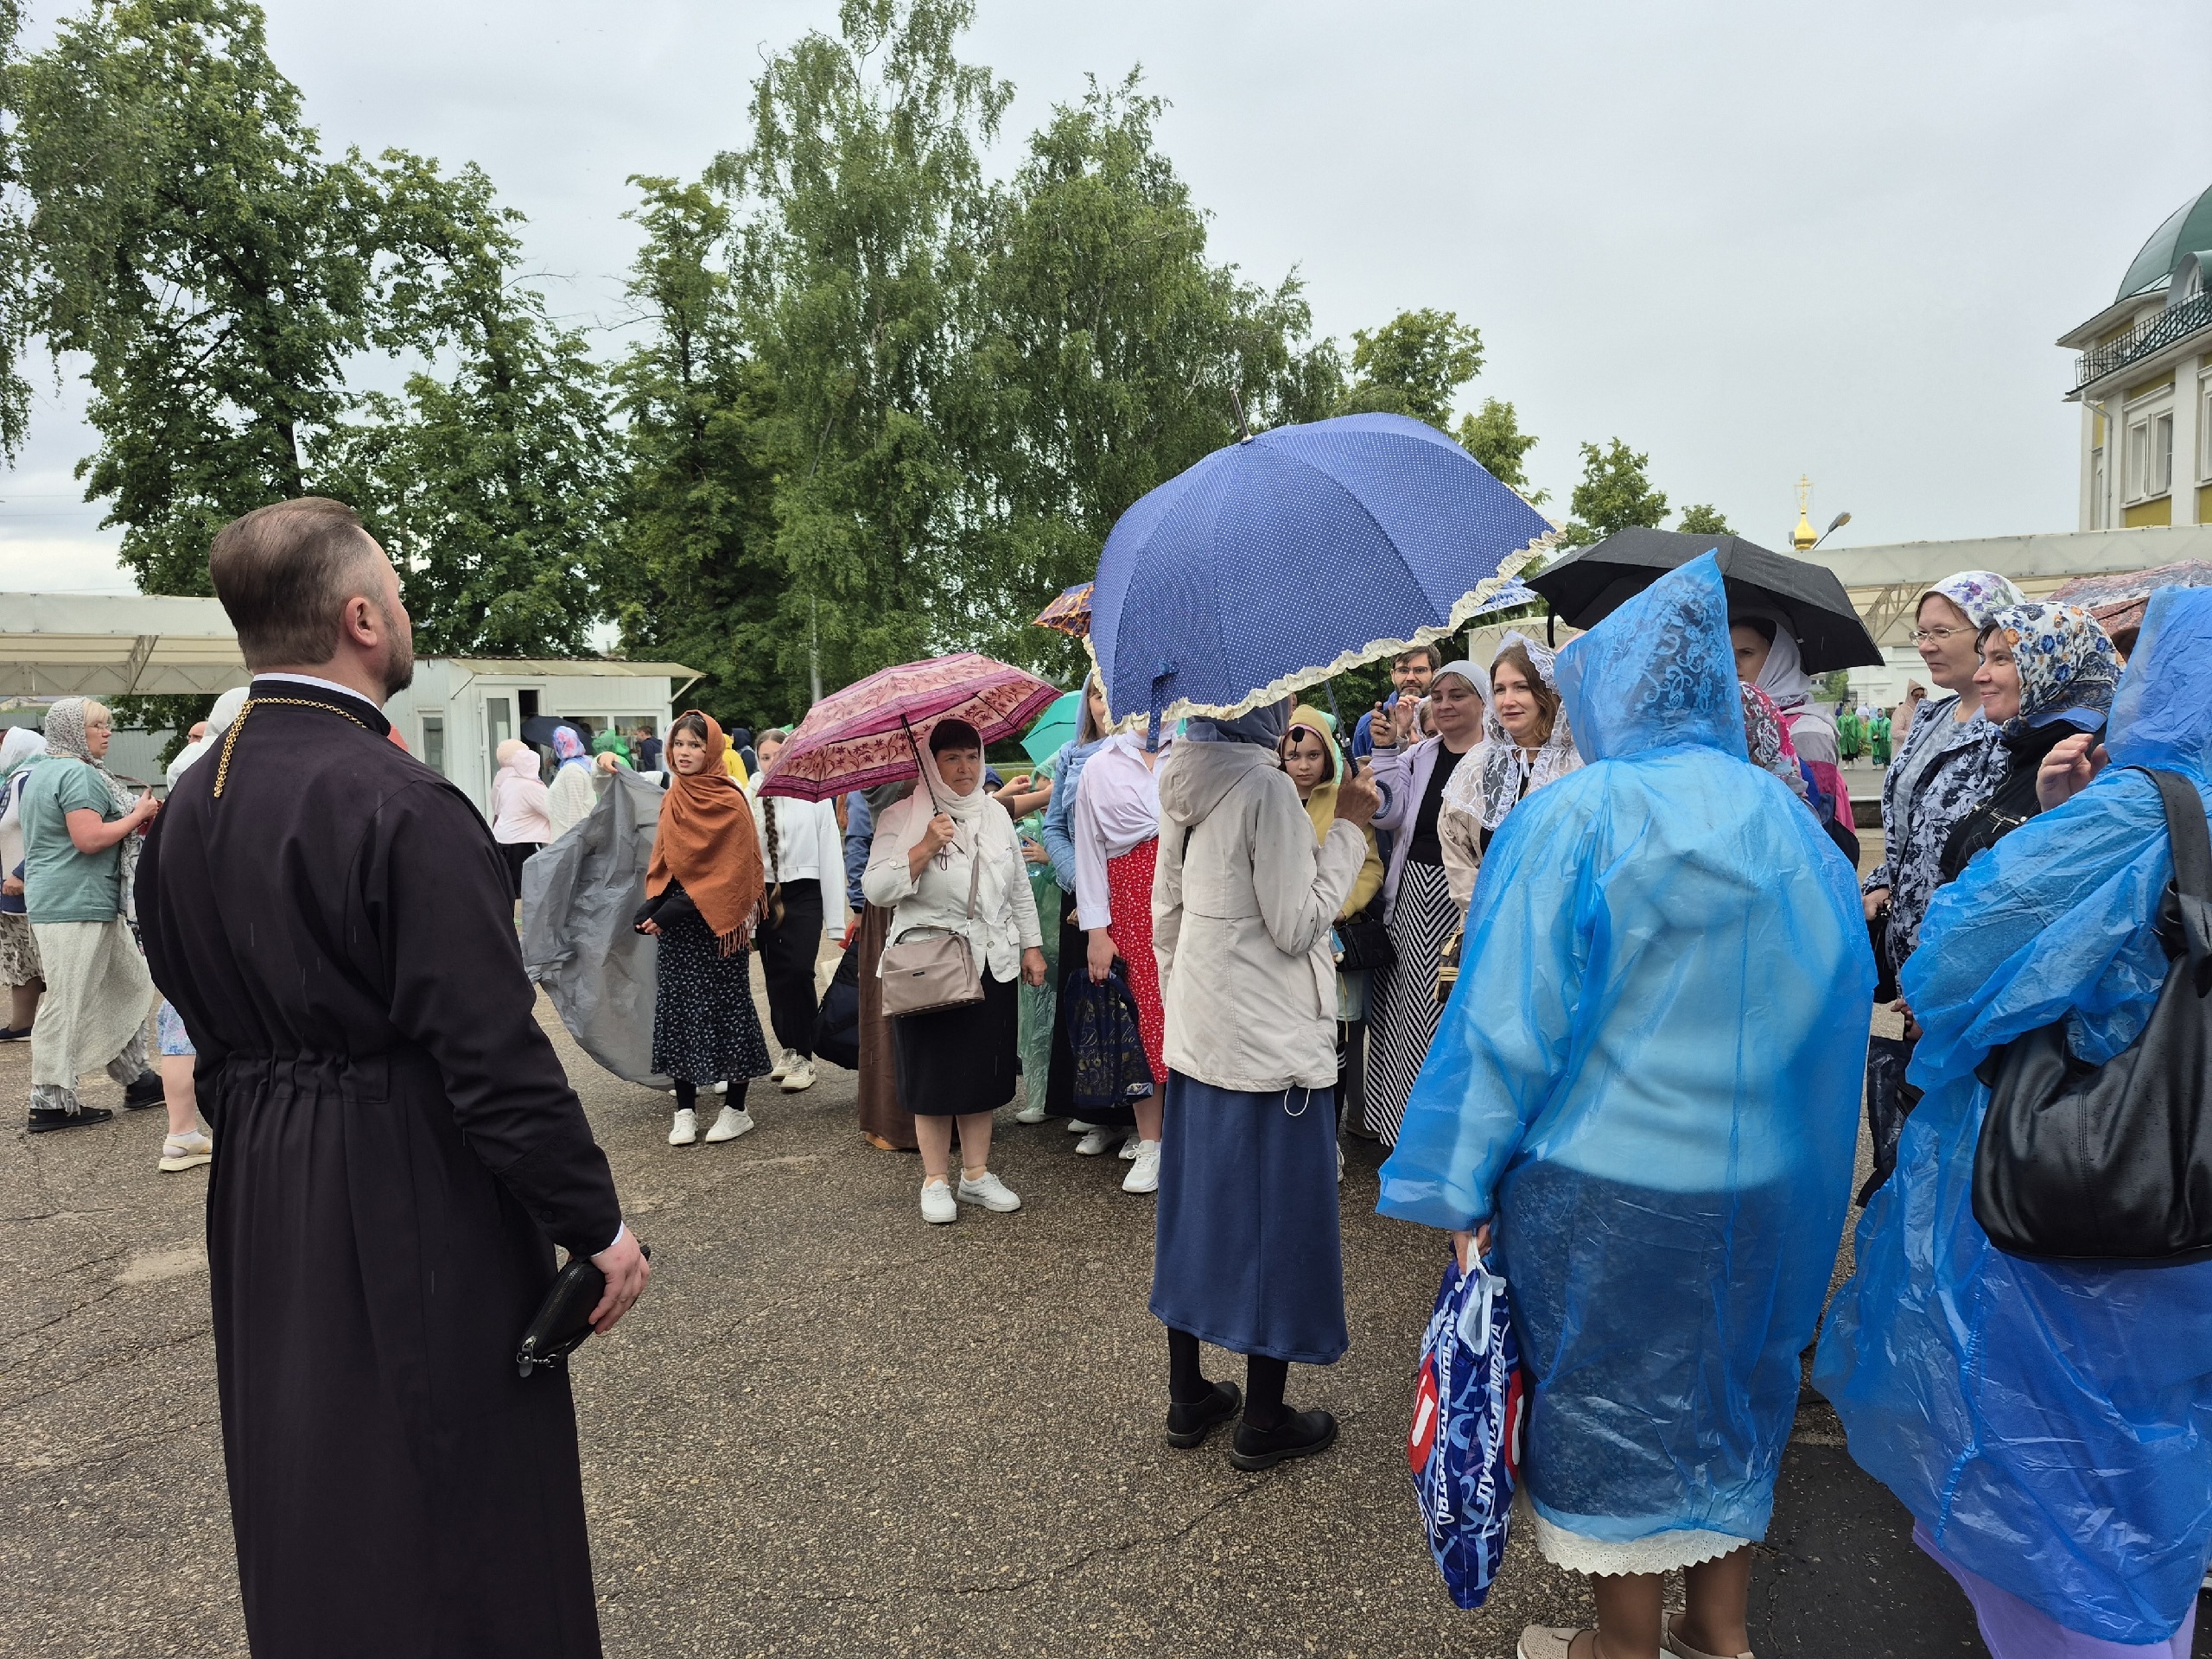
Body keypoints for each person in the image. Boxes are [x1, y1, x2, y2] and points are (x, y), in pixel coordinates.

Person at [136, 497, 645, 1658]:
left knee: (309, 1474)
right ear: (361, 618)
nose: (407, 612)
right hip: (403, 1173)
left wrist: (273, 1118)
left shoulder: (186, 811)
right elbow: (490, 1053)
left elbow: (206, 1026)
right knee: (453, 1490)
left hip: (261, 1177)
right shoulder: (401, 802)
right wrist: (596, 1224)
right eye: (399, 593)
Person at [1380, 557, 1872, 1659]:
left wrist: (1456, 1180)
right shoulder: (1786, 824)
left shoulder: (1574, 817)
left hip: (1603, 1183)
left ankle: (1621, 1646)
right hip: (1757, 1176)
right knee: (1730, 1396)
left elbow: (1506, 1030)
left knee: (1609, 1412)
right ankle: (1722, 1634)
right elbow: (1829, 1002)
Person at [1815, 585, 2212, 1658]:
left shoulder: (2126, 816)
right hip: (2195, 1206)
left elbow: (1949, 970)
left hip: (2084, 1203)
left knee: (2056, 1485)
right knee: (2158, 1469)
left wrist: (2046, 821)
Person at [1150, 698, 1378, 1466]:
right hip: (1270, 1045)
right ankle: (1264, 1419)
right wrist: (1347, 826)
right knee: (1276, 1225)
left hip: (1203, 1035)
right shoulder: (1267, 788)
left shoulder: (1178, 780)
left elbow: (1167, 919)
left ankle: (1189, 1398)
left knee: (1196, 1215)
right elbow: (1298, 923)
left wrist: (1190, 1015)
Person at [1856, 572, 2031, 1193]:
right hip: (1908, 950)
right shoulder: (1929, 716)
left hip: (1961, 955)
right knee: (1904, 1106)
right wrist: (1881, 880)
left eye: (1942, 631)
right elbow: (1902, 820)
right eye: (1920, 632)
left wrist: (1952, 971)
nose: (1926, 645)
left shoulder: (2015, 728)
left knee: (1953, 1130)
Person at [862, 719, 1046, 1224]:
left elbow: (1017, 891)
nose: (964, 768)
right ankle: (935, 1179)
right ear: (931, 763)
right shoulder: (903, 814)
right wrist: (922, 848)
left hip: (993, 959)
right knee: (933, 1072)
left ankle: (976, 1173)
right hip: (932, 963)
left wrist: (1032, 946)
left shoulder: (994, 814)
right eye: (951, 759)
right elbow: (876, 890)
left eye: (971, 756)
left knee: (983, 1071)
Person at [18, 698, 164, 1132]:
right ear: (70, 731)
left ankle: (136, 1077)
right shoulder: (77, 774)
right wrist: (137, 814)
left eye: (107, 725)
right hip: (74, 901)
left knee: (128, 983)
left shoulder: (42, 770)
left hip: (76, 900)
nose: (107, 732)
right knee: (67, 999)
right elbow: (88, 838)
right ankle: (50, 1100)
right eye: (96, 726)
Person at [634, 710, 773, 1147]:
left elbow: (730, 875)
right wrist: (651, 906)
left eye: (695, 744)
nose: (686, 752)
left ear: (712, 749)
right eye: (679, 744)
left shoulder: (730, 798)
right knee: (678, 1012)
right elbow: (668, 862)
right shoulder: (672, 796)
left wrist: (673, 909)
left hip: (719, 926)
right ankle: (685, 1110)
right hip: (678, 927)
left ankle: (736, 1109)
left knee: (726, 1009)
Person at [1363, 657, 1486, 1144]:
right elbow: (1388, 815)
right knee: (1406, 1011)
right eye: (1439, 696)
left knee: (1450, 1010)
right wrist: (1387, 750)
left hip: (1467, 895)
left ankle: (1446, 1132)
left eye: (1458, 695)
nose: (1446, 704)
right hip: (1414, 888)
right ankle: (1401, 1129)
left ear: (1483, 702)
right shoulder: (1422, 755)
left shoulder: (1498, 758)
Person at [1936, 601, 2120, 886]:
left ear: (2056, 664)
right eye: (1983, 659)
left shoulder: (2092, 760)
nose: (1979, 676)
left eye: (2001, 659)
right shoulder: (2027, 744)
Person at [1280, 707, 1384, 1157]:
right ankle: (1298, 1133)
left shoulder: (1344, 800)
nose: (1303, 764)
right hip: (1286, 939)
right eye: (1294, 754)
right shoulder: (1270, 797)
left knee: (1338, 1040)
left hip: (1333, 938)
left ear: (1328, 756)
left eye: (1313, 754)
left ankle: (1328, 1140)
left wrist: (1338, 909)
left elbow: (1369, 865)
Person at [1073, 721, 1173, 1192]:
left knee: (1192, 1017)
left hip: (1191, 898)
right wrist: (1097, 930)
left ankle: (1193, 1139)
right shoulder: (1098, 765)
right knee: (1141, 1024)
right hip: (1128, 904)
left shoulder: (1197, 751)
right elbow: (1088, 850)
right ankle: (1151, 1144)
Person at [1434, 634, 1580, 912]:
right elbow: (1455, 846)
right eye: (1499, 690)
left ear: (1547, 693)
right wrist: (1493, 914)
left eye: (1521, 687)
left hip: (1564, 920)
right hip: (1488, 921)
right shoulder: (1477, 763)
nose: (1508, 700)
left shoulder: (1577, 763)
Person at [748, 726, 847, 1095]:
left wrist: (836, 922)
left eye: (779, 754)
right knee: (774, 974)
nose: (772, 762)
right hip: (764, 894)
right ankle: (788, 1046)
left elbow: (830, 856)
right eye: (765, 756)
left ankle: (805, 1053)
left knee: (798, 971)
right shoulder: (750, 794)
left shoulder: (813, 795)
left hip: (805, 893)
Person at [1039, 677, 1115, 1138]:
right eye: (1098, 693)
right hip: (1080, 892)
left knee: (1128, 1002)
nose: (1106, 702)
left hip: (1132, 891)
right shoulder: (1070, 755)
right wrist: (1082, 882)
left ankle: (1134, 1120)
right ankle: (1096, 1114)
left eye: (1113, 691)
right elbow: (1053, 829)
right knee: (1086, 1003)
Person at [1729, 609, 1852, 838]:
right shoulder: (1735, 721)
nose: (1732, 663)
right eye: (1726, 652)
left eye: (1746, 653)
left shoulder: (1808, 730)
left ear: (1779, 659)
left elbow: (1818, 818)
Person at [1, 727, 48, 1042]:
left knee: (47, 960)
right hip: (11, 894)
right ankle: (22, 1024)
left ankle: (56, 1028)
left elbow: (45, 832)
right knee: (19, 959)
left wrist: (22, 871)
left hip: (31, 891)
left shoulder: (31, 778)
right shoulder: (11, 780)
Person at [1351, 645, 1440, 759]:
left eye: (1420, 670)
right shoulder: (1369, 724)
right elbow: (1360, 773)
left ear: (1435, 674)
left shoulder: (1448, 715)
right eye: (1403, 670)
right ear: (1392, 675)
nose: (1410, 678)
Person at [491, 738, 551, 899]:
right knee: (524, 889)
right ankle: (521, 921)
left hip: (502, 838)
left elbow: (497, 808)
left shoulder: (506, 780)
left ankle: (509, 919)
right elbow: (553, 811)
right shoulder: (530, 787)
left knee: (507, 886)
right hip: (521, 842)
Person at [546, 726, 596, 841]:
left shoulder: (572, 770)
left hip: (569, 843)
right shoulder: (581, 764)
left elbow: (576, 813)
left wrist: (572, 847)